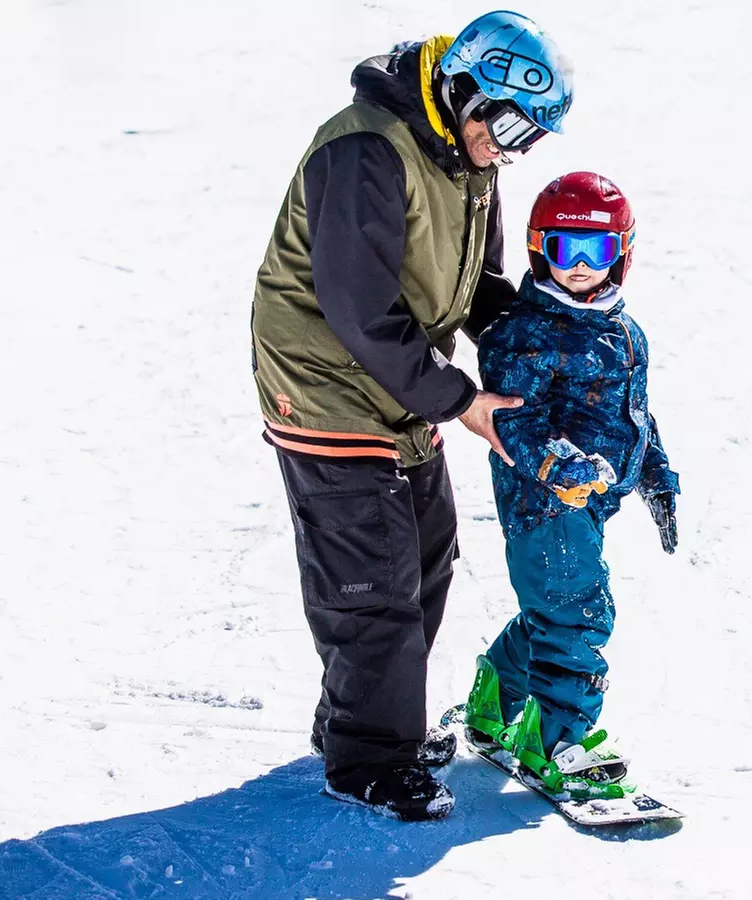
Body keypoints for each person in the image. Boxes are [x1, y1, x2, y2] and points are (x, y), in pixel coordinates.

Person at [249, 11, 573, 821]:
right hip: (326, 379)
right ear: (464, 86)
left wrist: (539, 337)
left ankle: (366, 723)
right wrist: (459, 401)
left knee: (427, 551)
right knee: (372, 577)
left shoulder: (467, 157)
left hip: (395, 377)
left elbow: (476, 287)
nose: (511, 147)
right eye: (506, 124)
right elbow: (358, 308)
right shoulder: (364, 149)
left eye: (527, 137)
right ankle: (369, 758)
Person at [461, 172, 680, 798]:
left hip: (590, 504)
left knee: (551, 611)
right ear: (538, 250)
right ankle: (557, 740)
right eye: (564, 251)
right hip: (543, 502)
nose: (580, 268)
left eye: (597, 252)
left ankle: (493, 703)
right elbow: (514, 416)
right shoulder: (524, 332)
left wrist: (656, 476)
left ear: (623, 255)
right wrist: (558, 465)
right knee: (579, 615)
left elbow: (635, 414)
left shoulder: (623, 330)